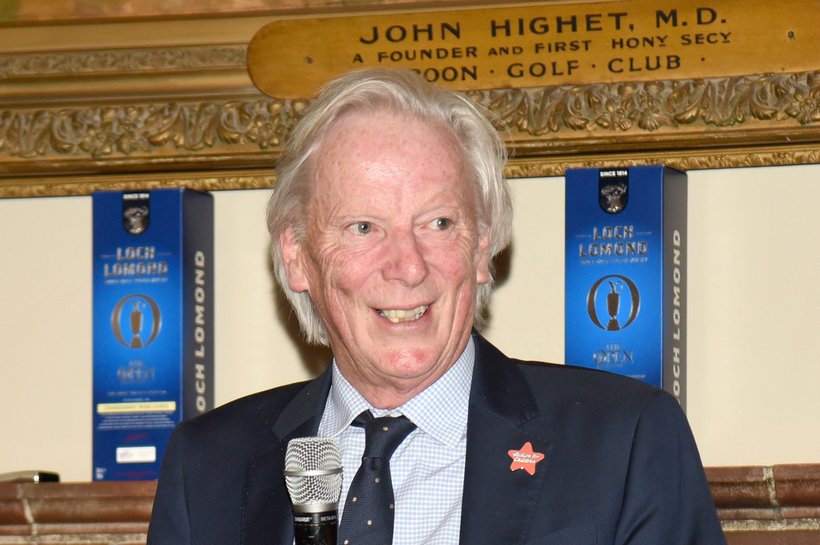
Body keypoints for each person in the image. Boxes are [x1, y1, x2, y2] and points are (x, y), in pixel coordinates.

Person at [148, 68, 726, 545]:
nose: (408, 265)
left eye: (439, 223)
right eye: (363, 226)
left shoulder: (622, 442)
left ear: (480, 248)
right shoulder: (208, 467)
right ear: (298, 258)